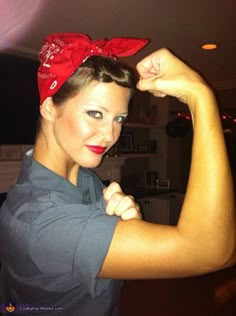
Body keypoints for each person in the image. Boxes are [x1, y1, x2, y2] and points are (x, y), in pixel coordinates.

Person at [0, 32, 235, 316]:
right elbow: (214, 252)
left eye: (119, 118)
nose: (110, 134)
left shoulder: (83, 176)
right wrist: (200, 96)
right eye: (96, 113)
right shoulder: (42, 221)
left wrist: (123, 230)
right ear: (49, 108)